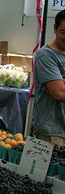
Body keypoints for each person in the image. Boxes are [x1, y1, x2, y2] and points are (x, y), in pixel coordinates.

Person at [32, 9, 65, 146]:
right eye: (64, 32)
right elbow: (59, 92)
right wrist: (58, 86)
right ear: (55, 29)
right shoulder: (46, 56)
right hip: (52, 133)